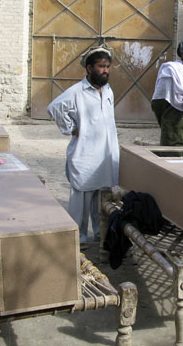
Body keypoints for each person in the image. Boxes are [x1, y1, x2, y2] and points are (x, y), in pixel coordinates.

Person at [47, 45, 120, 250]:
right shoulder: (77, 92)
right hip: (85, 153)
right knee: (81, 197)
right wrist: (71, 128)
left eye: (107, 66)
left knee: (101, 195)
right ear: (89, 68)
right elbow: (54, 108)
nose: (105, 70)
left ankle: (100, 233)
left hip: (105, 153)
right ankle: (78, 238)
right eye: (100, 66)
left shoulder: (108, 90)